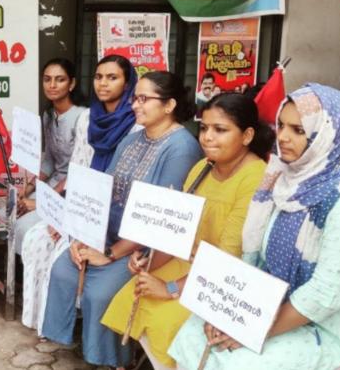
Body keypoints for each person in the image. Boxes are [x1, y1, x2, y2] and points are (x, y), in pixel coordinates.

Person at [169, 84, 340, 370]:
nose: (283, 137)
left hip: (325, 328)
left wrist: (249, 328)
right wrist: (230, 313)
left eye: (298, 130)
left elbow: (325, 294)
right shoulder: (283, 180)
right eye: (282, 125)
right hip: (266, 306)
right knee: (192, 334)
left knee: (239, 363)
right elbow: (258, 259)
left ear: (328, 136)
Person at [41, 70, 202, 369]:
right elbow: (103, 193)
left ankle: (111, 358)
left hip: (145, 250)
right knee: (64, 268)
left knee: (100, 293)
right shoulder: (132, 140)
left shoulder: (181, 148)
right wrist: (84, 238)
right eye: (135, 98)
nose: (134, 105)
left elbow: (160, 222)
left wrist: (110, 254)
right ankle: (83, 341)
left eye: (143, 99)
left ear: (168, 105)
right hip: (107, 236)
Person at [102, 93, 273, 370]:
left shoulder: (255, 179)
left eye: (220, 130)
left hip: (225, 281)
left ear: (247, 135)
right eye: (204, 128)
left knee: (164, 320)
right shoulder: (201, 169)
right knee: (131, 295)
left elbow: (228, 256)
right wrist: (148, 261)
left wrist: (170, 288)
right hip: (190, 264)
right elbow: (177, 233)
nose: (207, 137)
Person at [19, 54, 138, 333]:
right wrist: (67, 215)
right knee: (38, 239)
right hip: (85, 204)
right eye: (99, 77)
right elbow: (80, 169)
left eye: (112, 77)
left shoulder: (137, 124)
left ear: (127, 82)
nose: (104, 84)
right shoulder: (89, 118)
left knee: (57, 247)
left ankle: (73, 321)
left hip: (116, 214)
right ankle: (45, 322)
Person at [15, 58, 87, 250]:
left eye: (60, 79)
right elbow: (48, 161)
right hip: (53, 186)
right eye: (47, 79)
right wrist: (27, 190)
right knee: (15, 210)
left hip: (74, 192)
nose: (52, 85)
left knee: (28, 226)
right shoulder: (48, 114)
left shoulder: (83, 117)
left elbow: (81, 170)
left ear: (71, 83)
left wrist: (40, 202)